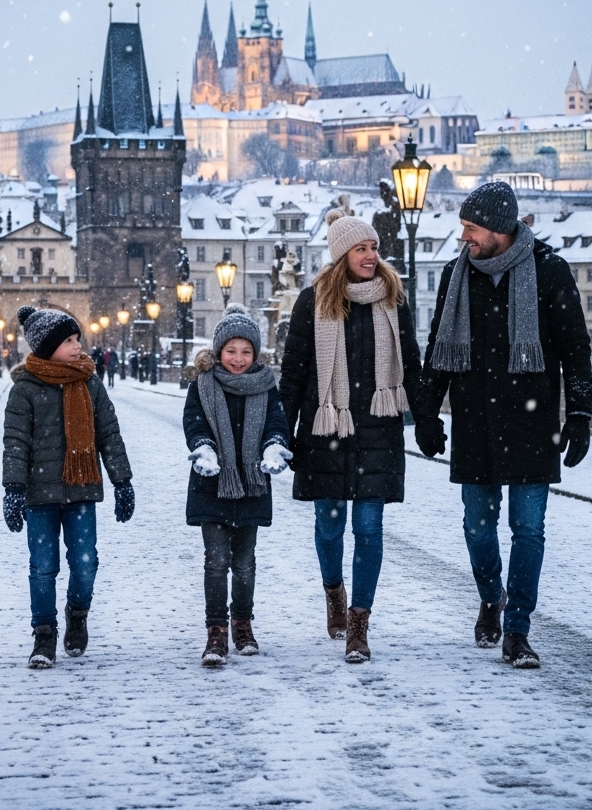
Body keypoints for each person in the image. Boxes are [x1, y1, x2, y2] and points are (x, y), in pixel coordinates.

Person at [416, 181, 592, 668]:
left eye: (472, 228)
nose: (465, 237)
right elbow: (438, 354)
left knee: (529, 530)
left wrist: (579, 415)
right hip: (474, 421)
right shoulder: (457, 275)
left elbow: (576, 349)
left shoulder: (549, 271)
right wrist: (427, 414)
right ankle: (490, 596)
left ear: (499, 228)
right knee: (478, 528)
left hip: (532, 424)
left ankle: (516, 627)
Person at [280, 208, 432, 663]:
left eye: (373, 248)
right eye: (361, 249)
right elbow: (294, 373)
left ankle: (359, 624)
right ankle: (334, 592)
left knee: (368, 527)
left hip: (378, 428)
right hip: (326, 427)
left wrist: (424, 418)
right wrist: (282, 433)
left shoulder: (392, 298)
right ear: (342, 254)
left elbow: (411, 359)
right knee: (329, 526)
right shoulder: (313, 301)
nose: (371, 256)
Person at [2, 307, 136, 669]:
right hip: (39, 495)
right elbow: (15, 443)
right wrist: (13, 489)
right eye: (69, 341)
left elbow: (109, 435)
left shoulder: (90, 382)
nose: (78, 346)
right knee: (43, 567)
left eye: (77, 339)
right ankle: (44, 632)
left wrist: (122, 481)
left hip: (81, 491)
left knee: (85, 563)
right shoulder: (25, 390)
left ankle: (77, 613)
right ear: (47, 348)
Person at [183, 304, 291, 666]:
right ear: (218, 351)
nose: (239, 358)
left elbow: (277, 422)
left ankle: (242, 625)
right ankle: (216, 632)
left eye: (246, 351)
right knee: (216, 561)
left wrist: (275, 444)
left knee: (244, 562)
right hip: (211, 483)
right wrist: (204, 450)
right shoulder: (202, 385)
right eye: (231, 351)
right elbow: (194, 424)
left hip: (251, 484)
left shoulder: (265, 385)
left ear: (256, 353)